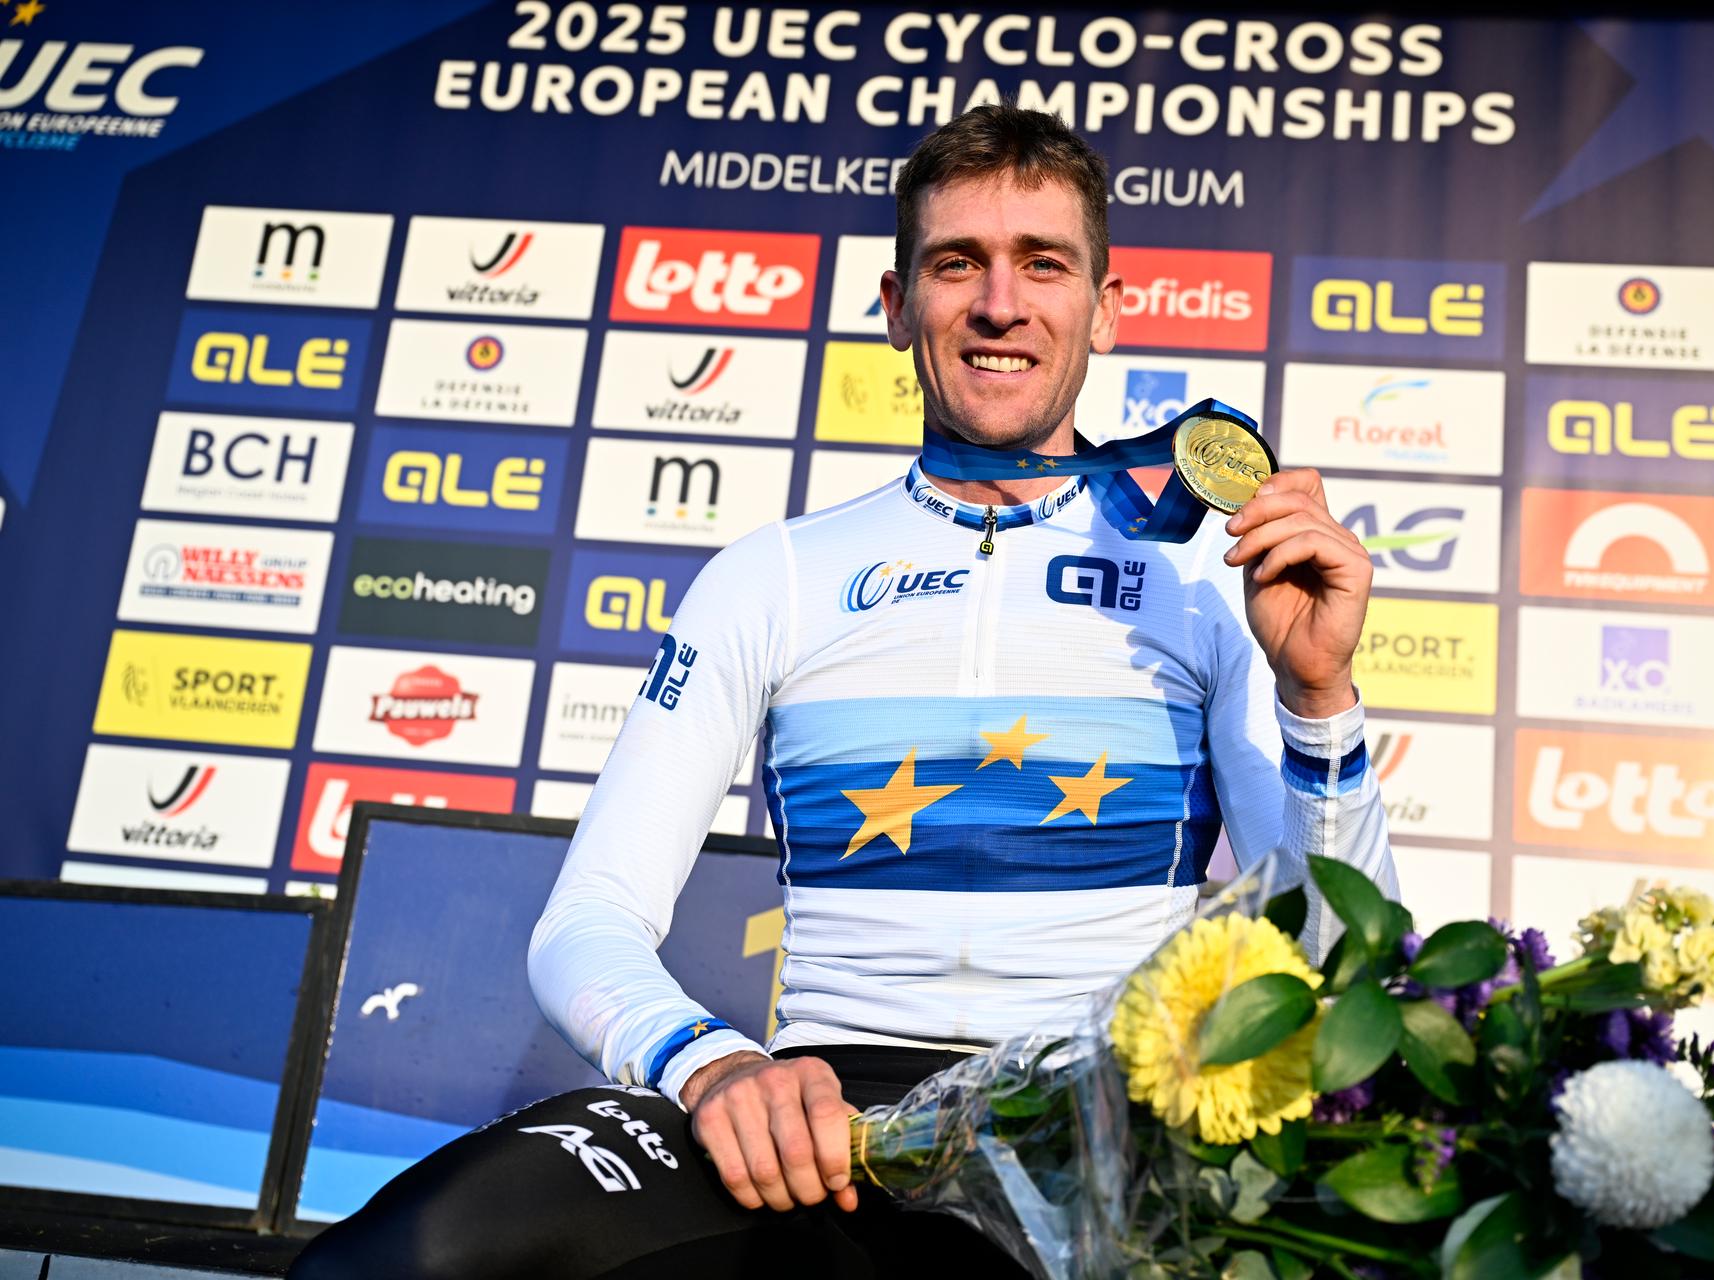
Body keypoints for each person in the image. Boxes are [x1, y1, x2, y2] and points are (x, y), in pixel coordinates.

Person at [291, 104, 1398, 1280]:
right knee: (401, 1257)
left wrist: (1319, 690)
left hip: (1099, 1124)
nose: (1000, 304)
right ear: (895, 305)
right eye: (956, 262)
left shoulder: (1209, 581)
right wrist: (710, 1062)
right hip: (817, 1124)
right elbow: (585, 925)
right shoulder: (770, 576)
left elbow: (1351, 957)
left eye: (1044, 264)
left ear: (1107, 307)